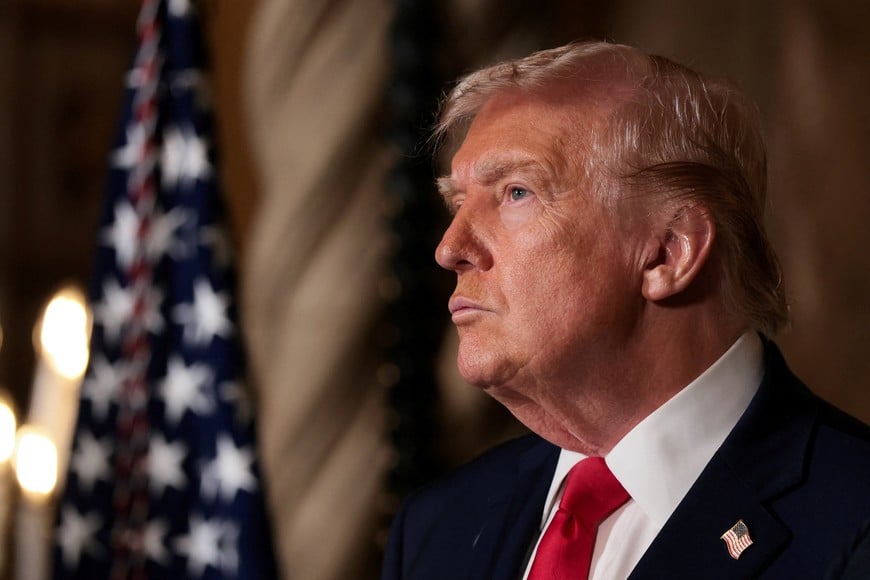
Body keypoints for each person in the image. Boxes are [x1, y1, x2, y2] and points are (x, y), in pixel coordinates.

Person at [380, 40, 870, 579]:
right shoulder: (436, 528)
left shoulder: (853, 522)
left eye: (516, 192)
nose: (449, 248)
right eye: (457, 203)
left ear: (667, 253)